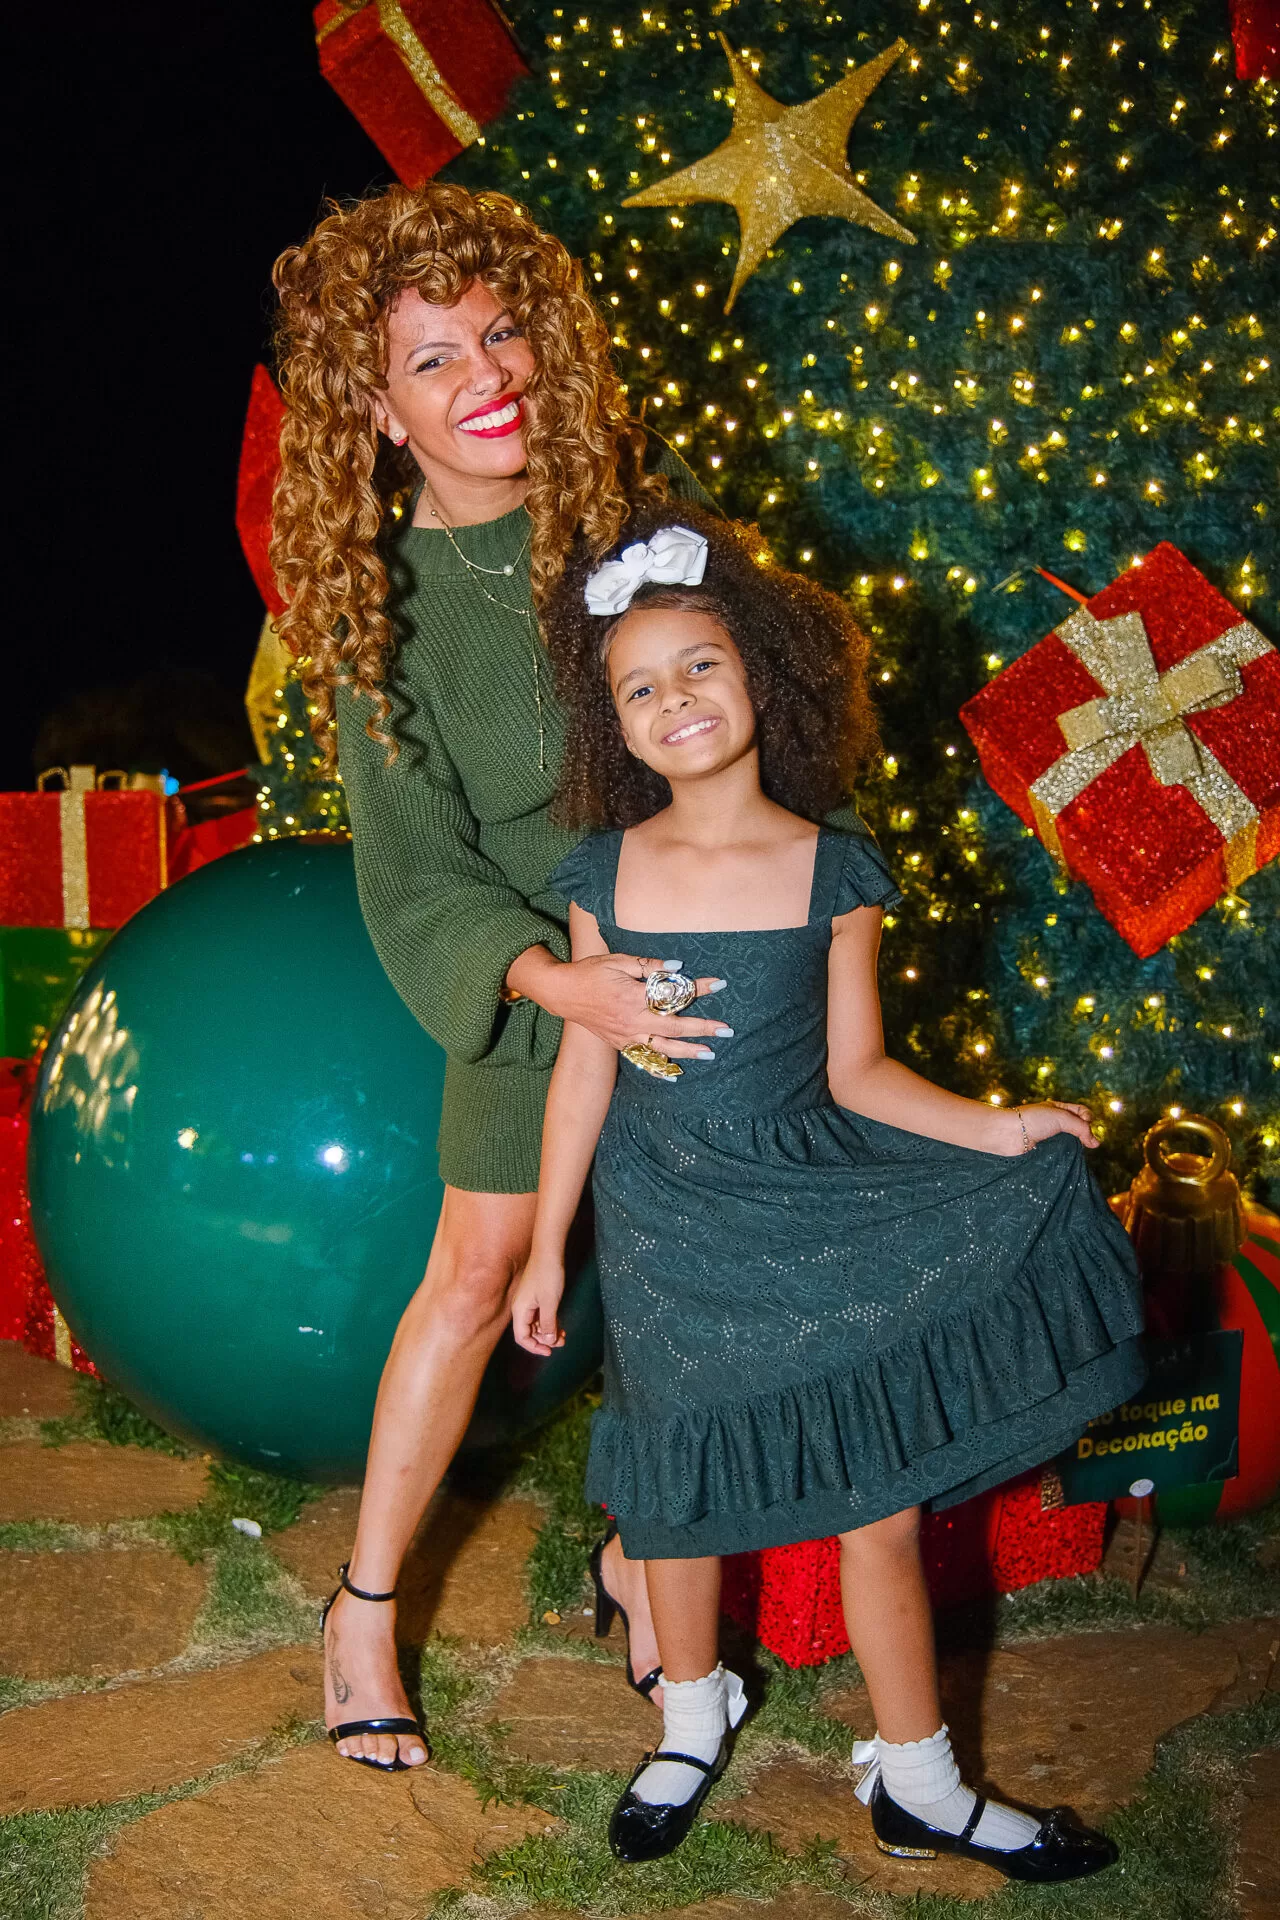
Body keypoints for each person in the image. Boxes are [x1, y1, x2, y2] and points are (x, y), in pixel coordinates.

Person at [511, 501, 1144, 1882]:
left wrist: (1000, 1130)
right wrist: (547, 1245)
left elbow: (859, 1074)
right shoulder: (603, 875)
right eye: (638, 687)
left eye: (700, 666)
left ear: (764, 673)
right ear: (612, 725)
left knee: (879, 1502)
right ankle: (690, 1718)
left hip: (813, 1210)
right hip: (667, 1228)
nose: (675, 700)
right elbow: (582, 1072)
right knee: (676, 1492)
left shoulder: (833, 869)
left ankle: (921, 1782)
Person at [270, 181, 729, 1772]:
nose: (486, 375)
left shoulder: (634, 529)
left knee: (688, 1274)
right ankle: (362, 1612)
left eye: (503, 332)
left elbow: (747, 717)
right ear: (376, 413)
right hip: (537, 985)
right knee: (472, 1279)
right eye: (433, 358)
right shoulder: (381, 613)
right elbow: (414, 870)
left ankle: (639, 1554)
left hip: (690, 955)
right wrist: (553, 982)